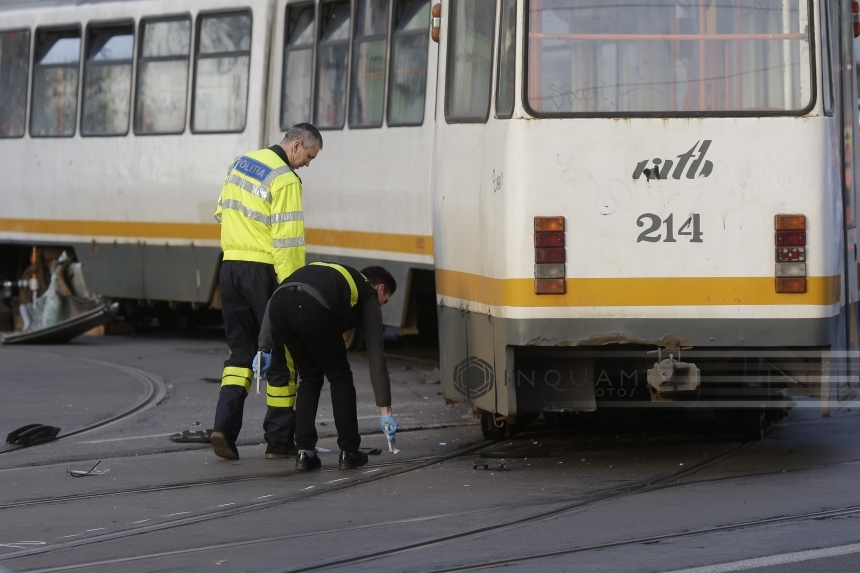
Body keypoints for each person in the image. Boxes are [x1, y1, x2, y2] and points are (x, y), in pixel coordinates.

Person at [210, 124, 323, 461]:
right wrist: (292, 290)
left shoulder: (241, 163)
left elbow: (221, 212)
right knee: (282, 358)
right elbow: (287, 243)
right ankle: (277, 442)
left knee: (240, 353)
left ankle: (223, 429)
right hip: (265, 273)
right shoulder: (285, 180)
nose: (307, 164)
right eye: (308, 156)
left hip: (230, 268)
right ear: (297, 145)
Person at [255, 263, 399, 470]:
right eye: (384, 301)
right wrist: (385, 410)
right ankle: (349, 452)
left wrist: (264, 347)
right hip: (312, 307)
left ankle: (305, 453)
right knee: (340, 376)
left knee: (309, 376)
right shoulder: (368, 293)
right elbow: (376, 355)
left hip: (280, 306)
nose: (380, 306)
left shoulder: (335, 275)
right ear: (381, 288)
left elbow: (277, 296)